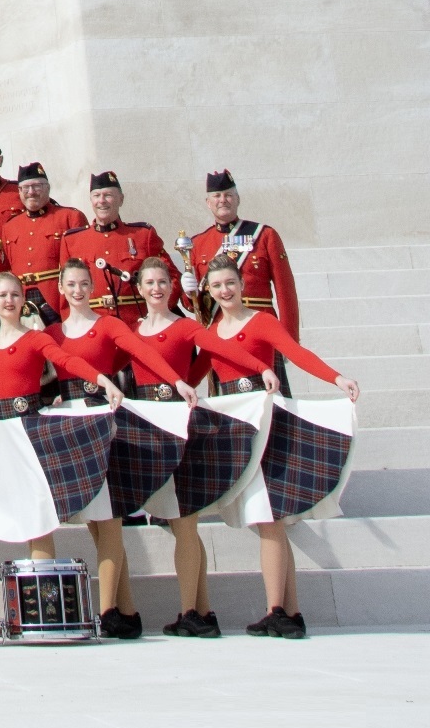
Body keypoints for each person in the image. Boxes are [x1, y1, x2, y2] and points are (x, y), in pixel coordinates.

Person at [196, 254, 360, 639]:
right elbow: (193, 375)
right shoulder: (211, 330)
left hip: (266, 420)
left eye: (230, 283)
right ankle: (291, 611)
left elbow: (297, 353)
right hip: (235, 426)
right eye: (217, 285)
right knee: (269, 522)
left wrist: (337, 378)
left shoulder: (262, 321)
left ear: (242, 284)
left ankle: (276, 611)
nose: (224, 290)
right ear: (208, 290)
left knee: (268, 516)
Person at [0, 271, 121, 563]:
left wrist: (102, 380)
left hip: (32, 433)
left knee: (37, 514)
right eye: (2, 295)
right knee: (22, 513)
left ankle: (44, 584)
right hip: (3, 438)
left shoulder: (35, 339)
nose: (9, 300)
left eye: (15, 294)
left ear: (23, 299)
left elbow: (66, 360)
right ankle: (38, 585)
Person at [49, 256, 198, 638]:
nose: (79, 290)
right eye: (72, 285)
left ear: (93, 288)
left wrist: (176, 381)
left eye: (85, 284)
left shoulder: (110, 324)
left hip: (104, 420)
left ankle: (106, 612)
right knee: (96, 528)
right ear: (62, 289)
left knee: (110, 520)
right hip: (71, 424)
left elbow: (143, 353)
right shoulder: (52, 332)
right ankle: (128, 613)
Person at [126, 252, 266, 640]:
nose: (156, 288)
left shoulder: (185, 327)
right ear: (138, 289)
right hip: (148, 425)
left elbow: (222, 349)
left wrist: (262, 368)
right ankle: (202, 611)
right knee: (179, 523)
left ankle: (190, 610)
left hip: (178, 424)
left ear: (172, 288)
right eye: (149, 283)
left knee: (183, 521)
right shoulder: (133, 331)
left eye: (162, 282)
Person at [187, 170, 301, 335]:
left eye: (228, 195)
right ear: (208, 202)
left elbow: (285, 291)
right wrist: (188, 291)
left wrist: (289, 336)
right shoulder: (198, 243)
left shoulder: (264, 235)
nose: (222, 200)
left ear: (238, 199)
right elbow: (194, 304)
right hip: (220, 329)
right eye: (217, 196)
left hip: (260, 326)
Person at [59, 172, 173, 324]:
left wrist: (159, 314)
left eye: (108, 195)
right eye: (96, 195)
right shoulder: (72, 240)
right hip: (92, 324)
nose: (101, 201)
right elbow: (64, 290)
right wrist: (73, 326)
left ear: (121, 199)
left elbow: (172, 277)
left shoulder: (143, 235)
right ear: (91, 200)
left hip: (136, 323)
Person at [0, 163, 81, 324]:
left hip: (57, 299)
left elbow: (81, 269)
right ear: (19, 191)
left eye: (37, 186)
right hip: (20, 302)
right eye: (25, 188)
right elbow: (5, 267)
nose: (31, 192)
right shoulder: (9, 227)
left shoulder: (69, 217)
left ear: (48, 188)